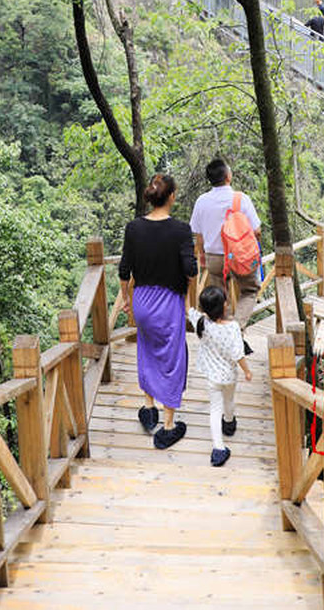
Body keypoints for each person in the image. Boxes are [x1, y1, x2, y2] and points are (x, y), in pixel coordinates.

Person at [118, 173, 196, 449]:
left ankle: (148, 407)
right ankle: (168, 425)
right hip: (167, 303)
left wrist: (127, 299)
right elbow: (190, 270)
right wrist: (188, 301)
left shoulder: (133, 228)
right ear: (172, 196)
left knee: (147, 351)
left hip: (142, 302)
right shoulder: (181, 230)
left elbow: (124, 269)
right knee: (173, 359)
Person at [189, 157, 262, 339]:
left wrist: (203, 257)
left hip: (214, 258)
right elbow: (257, 231)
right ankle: (236, 328)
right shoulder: (241, 199)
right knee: (250, 290)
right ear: (228, 176)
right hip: (239, 257)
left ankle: (225, 330)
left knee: (219, 298)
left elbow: (198, 235)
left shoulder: (201, 201)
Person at [188, 286, 252, 467]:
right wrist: (247, 371)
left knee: (215, 409)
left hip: (212, 377)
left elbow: (188, 310)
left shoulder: (201, 322)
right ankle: (229, 423)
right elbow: (238, 354)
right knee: (229, 401)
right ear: (224, 306)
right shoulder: (232, 328)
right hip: (229, 376)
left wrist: (187, 286)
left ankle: (218, 448)